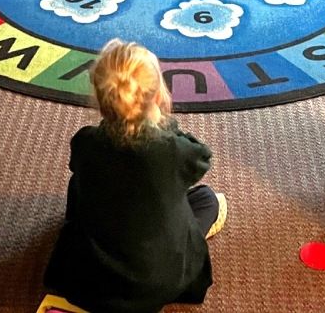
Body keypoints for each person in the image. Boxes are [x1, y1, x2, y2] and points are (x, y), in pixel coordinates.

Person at [44, 39, 226, 313]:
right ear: (157, 97)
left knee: (79, 181)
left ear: (101, 98)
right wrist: (165, 124)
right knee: (207, 199)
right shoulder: (174, 151)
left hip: (89, 277)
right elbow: (202, 156)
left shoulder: (85, 142)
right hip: (157, 280)